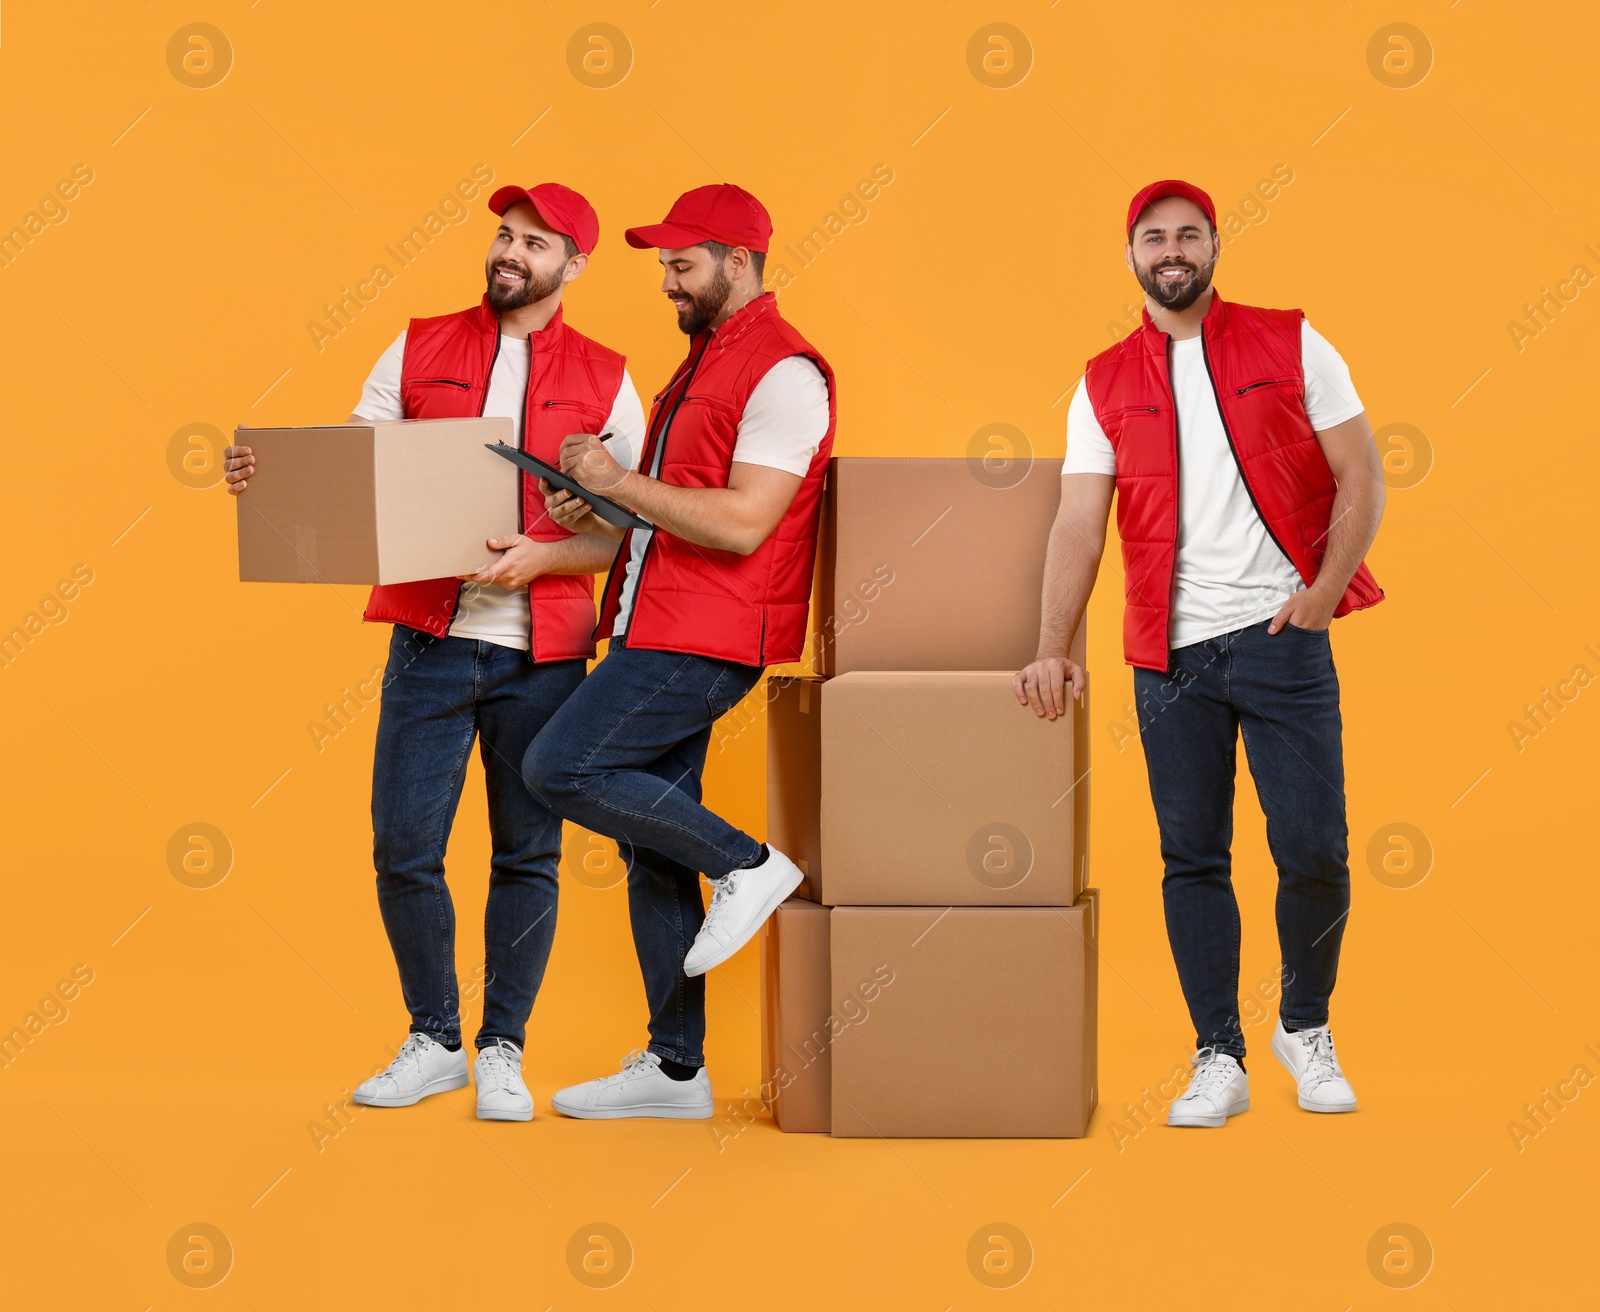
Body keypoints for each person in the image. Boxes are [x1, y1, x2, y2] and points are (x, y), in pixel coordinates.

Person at [224, 183, 646, 1121]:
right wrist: (268, 476)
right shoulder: (416, 345)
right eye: (504, 236)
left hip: (542, 654)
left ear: (573, 265)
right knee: (404, 849)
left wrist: (544, 558)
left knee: (527, 854)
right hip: (428, 644)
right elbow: (352, 468)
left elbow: (625, 528)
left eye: (535, 244)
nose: (510, 253)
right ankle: (436, 1038)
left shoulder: (611, 377)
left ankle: (503, 1049)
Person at [1015, 179, 1385, 1128]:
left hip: (1280, 638)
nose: (1171, 250)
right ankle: (1217, 1050)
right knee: (1192, 858)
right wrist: (1050, 645)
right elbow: (1075, 528)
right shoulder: (1101, 382)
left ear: (1215, 246)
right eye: (1153, 238)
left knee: (1315, 850)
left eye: (1188, 235)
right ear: (1131, 255)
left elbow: (1361, 475)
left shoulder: (1293, 340)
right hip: (1169, 659)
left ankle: (1304, 1027)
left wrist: (1321, 596)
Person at [521, 184, 835, 1120]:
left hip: (710, 631)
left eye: (681, 263)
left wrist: (623, 476)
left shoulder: (784, 372)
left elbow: (744, 524)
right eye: (663, 264)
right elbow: (682, 503)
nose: (665, 281)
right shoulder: (704, 363)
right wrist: (604, 502)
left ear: (738, 262)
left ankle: (749, 863)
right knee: (653, 850)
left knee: (559, 766)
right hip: (657, 616)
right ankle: (675, 1070)